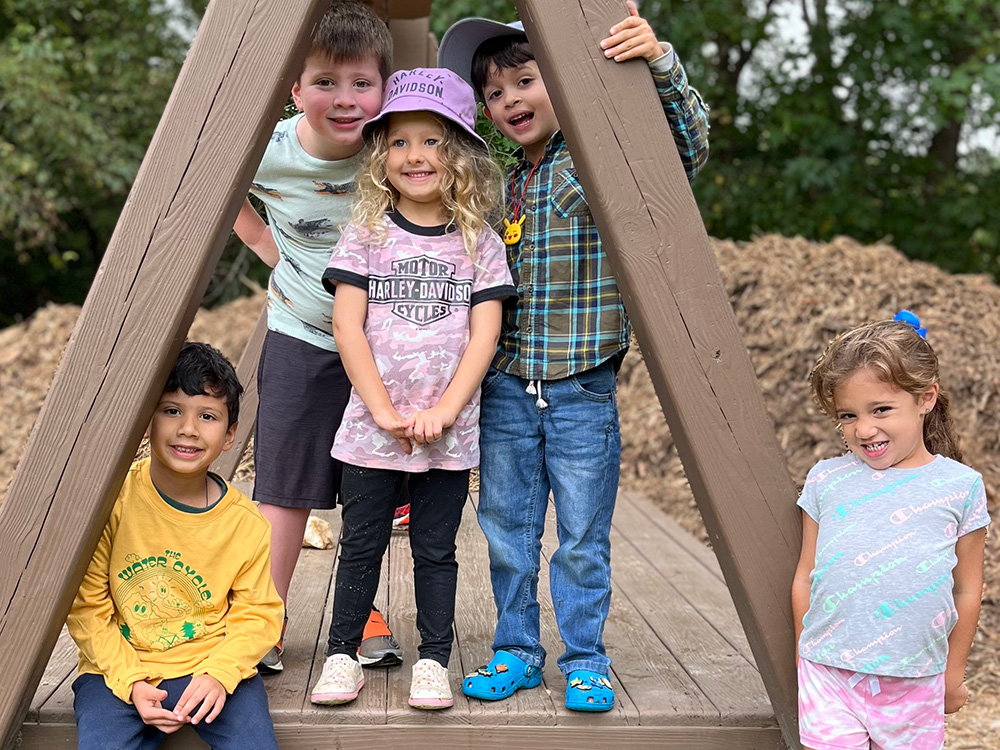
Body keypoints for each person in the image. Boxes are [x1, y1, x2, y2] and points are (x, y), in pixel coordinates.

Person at [436, 1, 710, 712]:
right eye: (494, 94)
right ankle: (517, 650)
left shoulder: (593, 158)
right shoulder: (501, 181)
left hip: (581, 382)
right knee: (505, 527)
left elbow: (682, 151)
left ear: (562, 80)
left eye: (525, 80)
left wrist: (658, 62)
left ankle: (584, 657)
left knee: (583, 534)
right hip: (505, 384)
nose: (510, 100)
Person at [309, 67, 516, 710]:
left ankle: (432, 657)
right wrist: (383, 409)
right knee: (361, 544)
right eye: (399, 142)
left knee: (435, 548)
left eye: (433, 141)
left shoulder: (479, 241)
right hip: (372, 424)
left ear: (460, 156)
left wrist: (446, 410)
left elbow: (486, 333)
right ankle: (342, 653)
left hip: (446, 429)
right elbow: (347, 324)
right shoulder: (367, 234)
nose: (415, 156)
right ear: (382, 158)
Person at [232, 0, 401, 673]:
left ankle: (360, 611)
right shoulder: (268, 149)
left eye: (362, 83)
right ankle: (267, 614)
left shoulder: (395, 149)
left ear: (384, 88)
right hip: (300, 333)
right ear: (295, 89)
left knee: (370, 485)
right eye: (325, 82)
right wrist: (265, 244)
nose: (345, 98)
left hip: (379, 341)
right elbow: (215, 188)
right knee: (285, 484)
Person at [67, 342, 285, 749]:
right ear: (147, 420)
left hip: (209, 665)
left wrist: (220, 673)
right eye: (171, 410)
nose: (188, 428)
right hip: (115, 671)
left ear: (230, 435)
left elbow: (258, 614)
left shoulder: (244, 524)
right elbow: (87, 610)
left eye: (207, 416)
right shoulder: (112, 500)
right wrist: (131, 682)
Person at [792, 312, 990, 750]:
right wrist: (802, 659)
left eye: (881, 409)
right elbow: (806, 574)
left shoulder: (961, 487)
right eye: (848, 415)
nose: (864, 429)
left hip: (916, 681)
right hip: (828, 675)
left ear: (926, 398)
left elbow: (967, 590)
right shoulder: (826, 480)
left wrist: (952, 675)